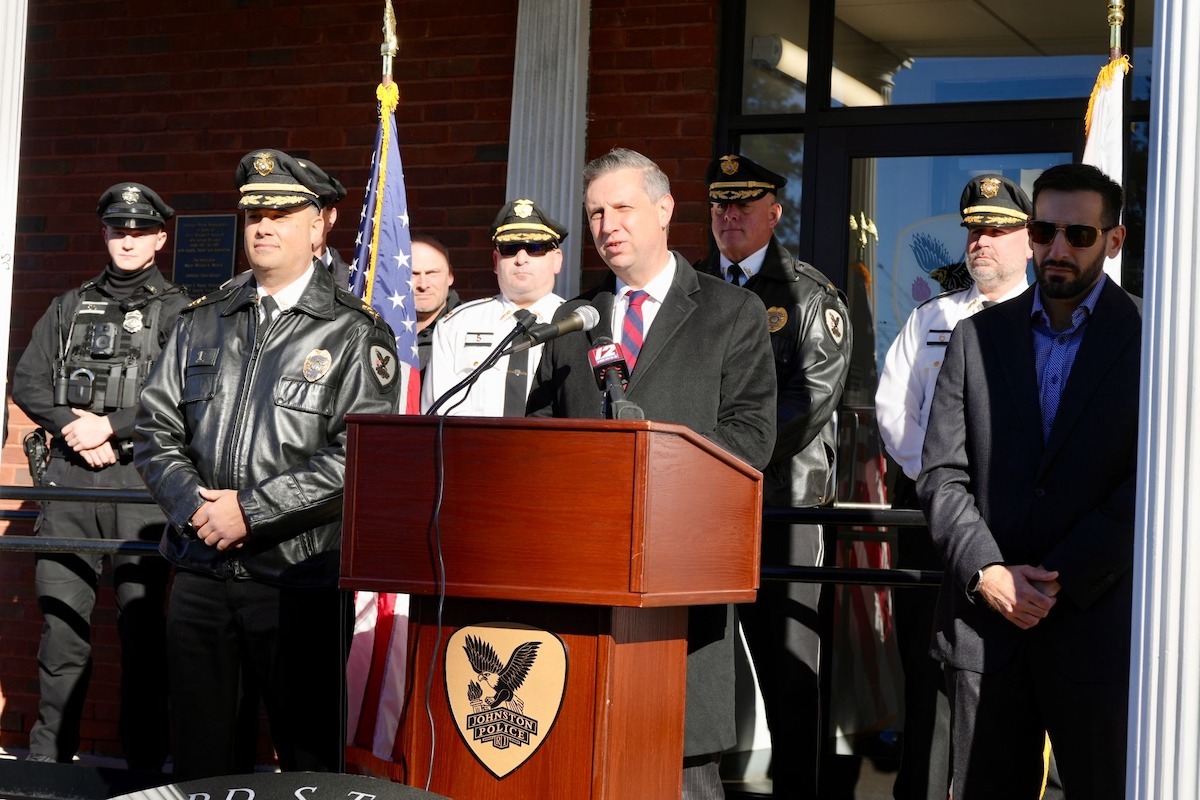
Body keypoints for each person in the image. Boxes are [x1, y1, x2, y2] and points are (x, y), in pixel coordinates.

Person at [133, 148, 401, 780]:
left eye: (282, 211)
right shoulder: (203, 320)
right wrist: (197, 508)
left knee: (308, 763)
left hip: (297, 580)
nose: (263, 224)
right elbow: (155, 430)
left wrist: (249, 512)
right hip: (200, 572)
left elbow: (361, 456)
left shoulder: (353, 333)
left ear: (321, 223)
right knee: (202, 765)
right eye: (254, 211)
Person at [527, 147, 776, 799]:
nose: (608, 224)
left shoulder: (730, 313)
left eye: (622, 208)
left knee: (680, 777)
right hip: (584, 594)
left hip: (680, 590)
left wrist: (651, 485)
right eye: (595, 213)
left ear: (664, 210)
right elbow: (537, 440)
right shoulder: (571, 321)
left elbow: (751, 438)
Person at [917, 162, 1140, 800]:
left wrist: (1058, 576)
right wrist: (987, 571)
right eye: (1044, 231)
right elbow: (942, 475)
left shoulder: (1156, 340)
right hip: (989, 634)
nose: (1058, 249)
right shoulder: (974, 337)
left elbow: (1151, 486)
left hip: (1097, 630)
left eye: (1080, 235)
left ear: (1114, 241)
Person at [12, 182, 189, 770]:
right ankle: (46, 765)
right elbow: (28, 383)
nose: (128, 239)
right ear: (104, 234)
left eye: (140, 230)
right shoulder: (68, 306)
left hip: (140, 488)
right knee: (61, 633)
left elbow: (186, 392)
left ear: (161, 238)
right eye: (118, 229)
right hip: (67, 485)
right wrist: (72, 427)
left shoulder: (182, 312)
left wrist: (110, 429)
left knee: (142, 635)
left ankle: (142, 768)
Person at [875, 173, 1033, 800]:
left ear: (1028, 240)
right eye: (974, 231)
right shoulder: (934, 317)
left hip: (1017, 525)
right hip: (936, 523)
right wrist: (944, 487)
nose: (981, 242)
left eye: (996, 230)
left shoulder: (1045, 319)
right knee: (926, 665)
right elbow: (895, 411)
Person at [698, 153, 851, 798]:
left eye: (744, 204)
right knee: (697, 662)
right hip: (698, 502)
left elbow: (808, 401)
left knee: (790, 674)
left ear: (774, 212)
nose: (730, 216)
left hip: (781, 506)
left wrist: (717, 457)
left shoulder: (810, 296)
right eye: (720, 205)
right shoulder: (690, 286)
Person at [421, 198, 566, 416]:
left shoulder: (576, 323)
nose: (521, 258)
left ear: (556, 260)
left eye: (536, 248)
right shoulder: (456, 325)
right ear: (496, 261)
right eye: (510, 248)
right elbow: (437, 416)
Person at [298, 157, 351, 287]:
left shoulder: (357, 286)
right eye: (285, 213)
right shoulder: (242, 285)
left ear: (331, 217)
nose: (298, 220)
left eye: (312, 208)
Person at [412, 233, 461, 373]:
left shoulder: (469, 326)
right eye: (413, 274)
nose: (423, 284)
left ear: (450, 276)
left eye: (432, 273)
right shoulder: (381, 328)